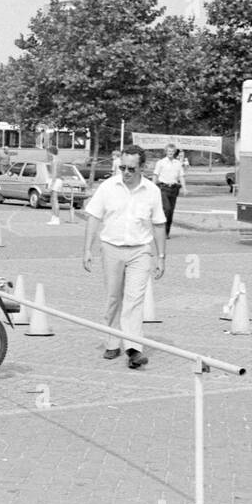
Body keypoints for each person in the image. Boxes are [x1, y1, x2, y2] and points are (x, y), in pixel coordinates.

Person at [81, 147, 166, 370]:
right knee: (113, 298)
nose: (126, 172)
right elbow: (93, 217)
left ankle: (133, 349)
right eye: (123, 167)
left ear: (142, 168)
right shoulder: (108, 187)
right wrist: (87, 249)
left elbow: (159, 224)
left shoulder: (152, 191)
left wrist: (161, 257)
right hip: (111, 248)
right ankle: (112, 341)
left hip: (140, 250)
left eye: (131, 168)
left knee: (134, 300)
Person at [151, 143, 187, 237]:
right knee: (166, 209)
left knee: (170, 211)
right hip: (163, 188)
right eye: (169, 151)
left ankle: (166, 233)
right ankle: (160, 231)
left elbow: (181, 176)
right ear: (166, 152)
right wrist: (152, 188)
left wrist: (184, 188)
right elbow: (155, 175)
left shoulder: (178, 163)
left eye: (172, 151)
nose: (170, 153)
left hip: (174, 189)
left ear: (174, 152)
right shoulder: (161, 162)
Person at [46, 144, 63, 225]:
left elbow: (54, 173)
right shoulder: (59, 160)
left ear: (50, 152)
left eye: (48, 152)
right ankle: (54, 217)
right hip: (58, 180)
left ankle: (56, 218)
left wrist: (51, 184)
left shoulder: (54, 161)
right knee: (53, 200)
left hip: (55, 181)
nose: (47, 154)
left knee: (54, 200)